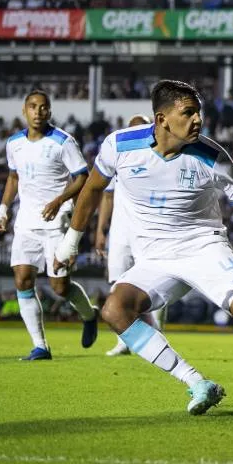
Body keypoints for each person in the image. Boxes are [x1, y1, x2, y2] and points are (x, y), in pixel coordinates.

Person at [53, 80, 233, 417]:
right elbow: (91, 190)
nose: (197, 120)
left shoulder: (212, 157)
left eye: (198, 112)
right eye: (188, 113)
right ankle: (197, 382)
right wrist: (70, 241)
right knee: (115, 310)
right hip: (156, 258)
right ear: (161, 119)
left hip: (204, 248)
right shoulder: (119, 146)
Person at [0, 89, 98, 360]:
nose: (38, 111)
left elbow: (82, 177)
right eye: (32, 106)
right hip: (26, 222)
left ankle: (89, 315)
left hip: (57, 219)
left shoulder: (63, 141)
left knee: (60, 288)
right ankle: (40, 346)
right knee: (22, 279)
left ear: (49, 111)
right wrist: (3, 209)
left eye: (43, 107)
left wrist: (58, 200)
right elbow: (14, 178)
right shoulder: (14, 143)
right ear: (24, 111)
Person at [94, 114, 165, 357]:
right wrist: (100, 230)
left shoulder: (159, 160)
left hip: (149, 229)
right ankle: (124, 340)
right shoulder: (120, 160)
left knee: (154, 283)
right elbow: (107, 196)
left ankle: (157, 333)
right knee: (117, 282)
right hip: (120, 230)